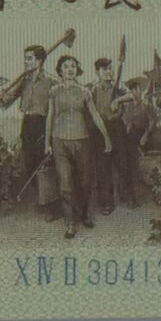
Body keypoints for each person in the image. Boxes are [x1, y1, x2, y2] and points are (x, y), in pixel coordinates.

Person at [45, 55, 112, 238]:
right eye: (66, 66)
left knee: (85, 182)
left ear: (77, 69)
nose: (70, 69)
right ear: (60, 70)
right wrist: (47, 143)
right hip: (59, 142)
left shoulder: (85, 92)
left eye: (73, 66)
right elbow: (50, 116)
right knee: (65, 184)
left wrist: (106, 137)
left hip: (82, 141)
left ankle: (84, 215)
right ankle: (70, 223)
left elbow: (95, 115)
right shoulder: (54, 91)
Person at [0, 45, 58, 221]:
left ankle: (51, 206)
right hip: (27, 124)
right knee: (30, 163)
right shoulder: (24, 81)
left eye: (29, 58)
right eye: (25, 58)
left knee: (44, 164)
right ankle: (41, 198)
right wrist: (1, 96)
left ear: (39, 60)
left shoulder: (51, 81)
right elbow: (7, 101)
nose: (26, 62)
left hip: (44, 123)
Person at [88, 57, 139, 212]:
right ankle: (106, 202)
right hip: (99, 129)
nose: (109, 72)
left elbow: (132, 95)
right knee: (102, 166)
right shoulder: (92, 89)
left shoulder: (118, 86)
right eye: (105, 69)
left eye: (110, 68)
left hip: (117, 129)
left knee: (123, 163)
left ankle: (128, 196)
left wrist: (118, 100)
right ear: (97, 72)